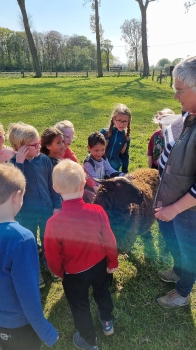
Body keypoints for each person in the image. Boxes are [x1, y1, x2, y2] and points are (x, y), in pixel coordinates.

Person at [44, 159, 118, 350]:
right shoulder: (97, 210)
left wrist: (61, 273)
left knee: (80, 306)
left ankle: (89, 340)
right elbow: (110, 240)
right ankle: (107, 322)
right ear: (83, 183)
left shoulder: (53, 223)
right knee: (102, 292)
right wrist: (112, 261)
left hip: (74, 274)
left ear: (55, 188)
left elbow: (52, 256)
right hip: (100, 265)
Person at [0, 163, 58, 350]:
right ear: (17, 196)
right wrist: (45, 331)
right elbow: (28, 293)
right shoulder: (22, 239)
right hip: (17, 325)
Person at [154, 56, 196, 308]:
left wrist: (174, 209)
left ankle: (182, 293)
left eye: (179, 91)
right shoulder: (191, 114)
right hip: (176, 199)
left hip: (188, 208)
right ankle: (179, 272)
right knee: (174, 240)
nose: (175, 97)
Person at [8, 122, 61, 288]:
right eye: (35, 145)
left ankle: (49, 262)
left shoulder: (44, 160)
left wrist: (57, 204)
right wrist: (20, 163)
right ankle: (34, 269)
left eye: (39, 143)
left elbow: (53, 184)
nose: (39, 146)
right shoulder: (13, 165)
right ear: (20, 147)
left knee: (48, 239)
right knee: (29, 243)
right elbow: (16, 186)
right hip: (26, 214)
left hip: (47, 209)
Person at [100, 103, 131, 173]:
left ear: (128, 121)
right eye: (119, 120)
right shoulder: (104, 132)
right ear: (114, 119)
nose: (122, 124)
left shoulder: (126, 138)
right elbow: (93, 148)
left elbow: (125, 156)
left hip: (114, 167)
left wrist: (125, 171)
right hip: (99, 165)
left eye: (125, 121)